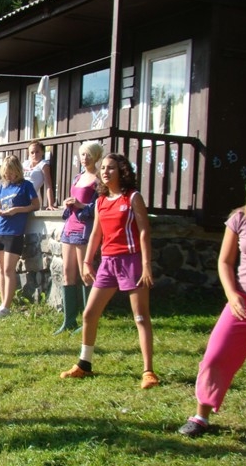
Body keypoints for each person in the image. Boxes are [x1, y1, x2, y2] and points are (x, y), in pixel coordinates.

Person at [59, 153, 159, 389]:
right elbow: (96, 233)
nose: (105, 171)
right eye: (103, 167)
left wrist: (146, 265)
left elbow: (144, 231)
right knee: (89, 314)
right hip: (107, 263)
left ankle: (148, 371)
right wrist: (87, 261)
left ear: (122, 171)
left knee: (140, 317)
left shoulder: (133, 197)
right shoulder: (101, 200)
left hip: (131, 261)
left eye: (111, 168)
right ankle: (84, 364)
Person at [178, 161, 246, 437]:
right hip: (244, 302)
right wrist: (232, 294)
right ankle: (200, 416)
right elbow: (225, 262)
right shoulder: (240, 218)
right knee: (215, 355)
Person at [0, 141, 54, 273]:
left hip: (19, 197)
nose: (34, 154)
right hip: (6, 194)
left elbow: (48, 185)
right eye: (31, 152)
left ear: (42, 152)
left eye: (37, 151)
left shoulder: (43, 165)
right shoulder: (25, 164)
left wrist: (50, 204)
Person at [55, 140, 103, 334]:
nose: (85, 158)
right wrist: (68, 204)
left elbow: (100, 205)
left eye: (89, 154)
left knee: (86, 274)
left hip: (84, 229)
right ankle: (69, 320)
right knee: (68, 273)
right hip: (70, 226)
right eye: (83, 154)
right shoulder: (77, 177)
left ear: (96, 156)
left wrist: (82, 206)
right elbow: (75, 200)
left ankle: (88, 319)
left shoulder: (98, 179)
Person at [0, 155, 40, 320]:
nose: (8, 176)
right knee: (1, 269)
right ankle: (3, 304)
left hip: (14, 232)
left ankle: (6, 306)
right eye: (6, 173)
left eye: (11, 173)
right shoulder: (3, 186)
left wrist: (17, 210)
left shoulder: (26, 186)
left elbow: (35, 205)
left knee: (9, 270)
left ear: (17, 171)